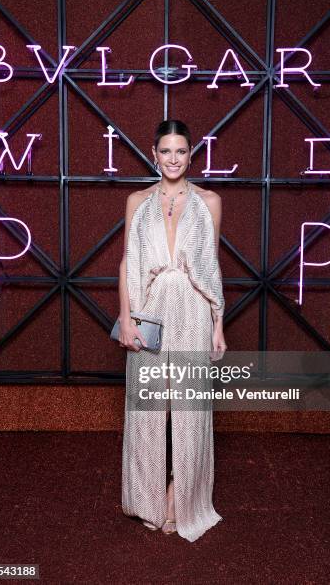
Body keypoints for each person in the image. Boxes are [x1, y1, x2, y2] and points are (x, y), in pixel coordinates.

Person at [117, 119, 227, 542]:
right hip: (150, 305)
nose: (174, 159)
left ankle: (178, 498)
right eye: (166, 151)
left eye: (181, 151)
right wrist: (126, 318)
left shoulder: (210, 201)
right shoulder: (137, 201)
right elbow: (128, 262)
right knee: (147, 405)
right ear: (154, 153)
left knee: (190, 408)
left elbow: (211, 266)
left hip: (194, 307)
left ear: (191, 154)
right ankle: (145, 498)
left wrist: (218, 322)